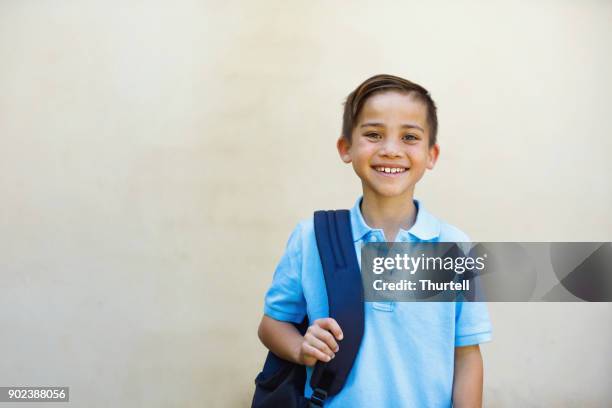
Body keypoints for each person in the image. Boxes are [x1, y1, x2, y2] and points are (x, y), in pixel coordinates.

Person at [257, 74, 492, 407]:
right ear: (346, 148)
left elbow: (467, 356)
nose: (390, 150)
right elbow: (272, 324)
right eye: (373, 134)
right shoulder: (312, 237)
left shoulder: (452, 246)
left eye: (409, 136)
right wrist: (299, 347)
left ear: (432, 154)